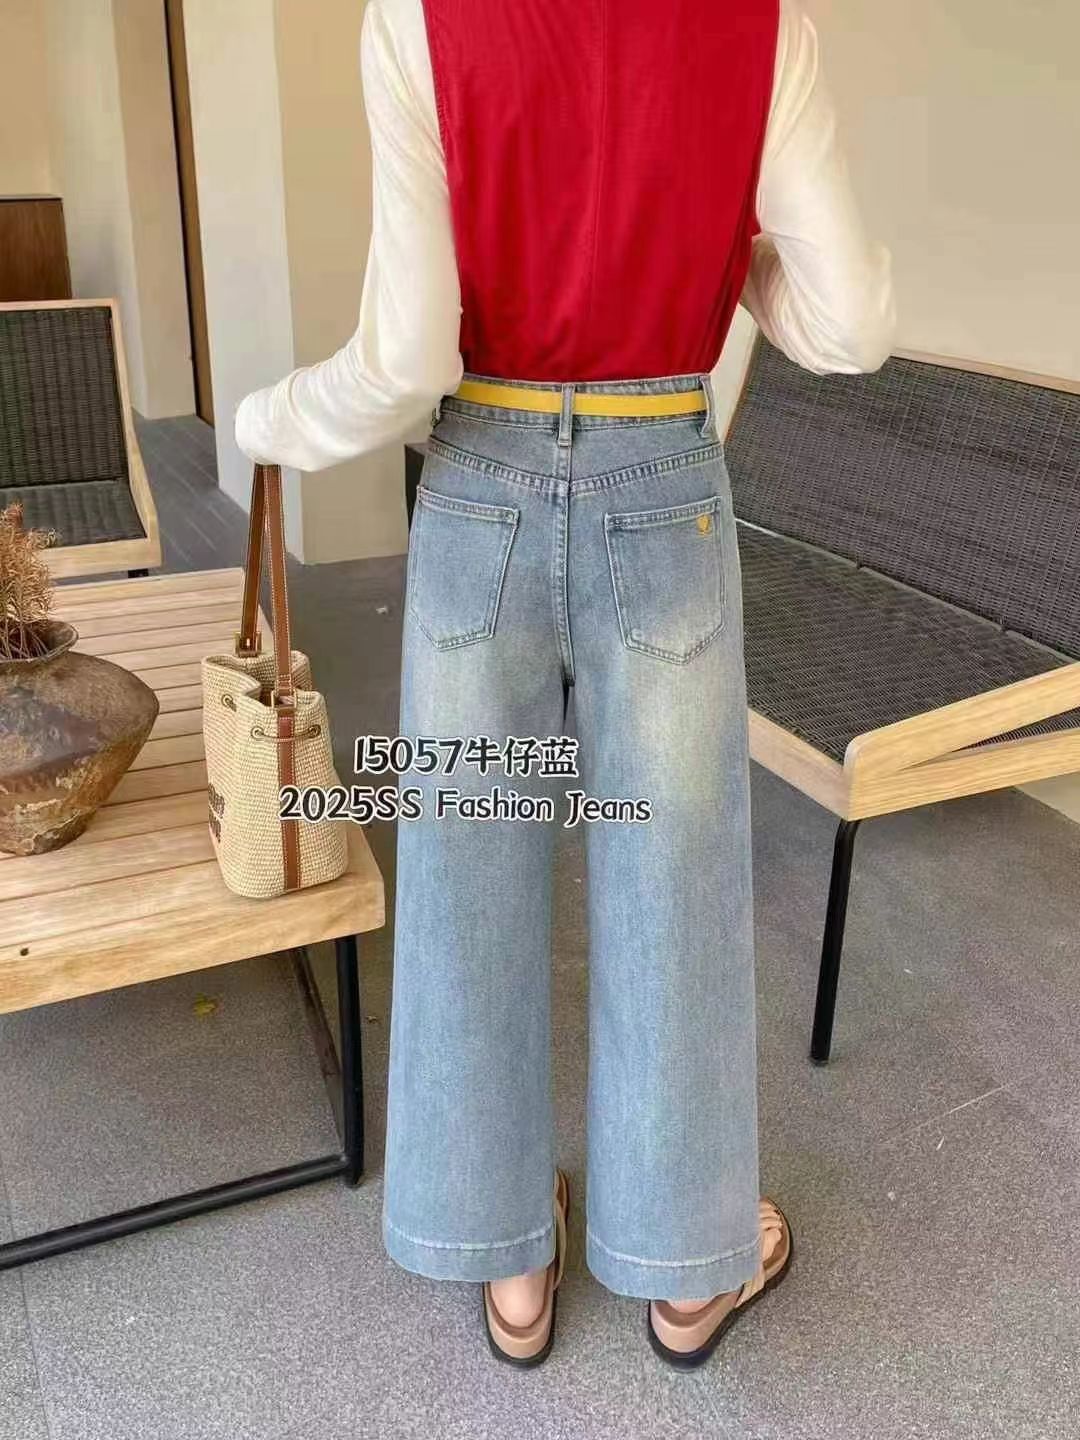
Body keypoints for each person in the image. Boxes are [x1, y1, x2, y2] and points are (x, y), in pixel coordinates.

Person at [236, 0, 895, 1370]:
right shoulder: (764, 26)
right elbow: (850, 327)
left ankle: (510, 1262)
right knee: (675, 872)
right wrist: (735, 270)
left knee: (469, 852)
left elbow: (407, 358)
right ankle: (685, 1271)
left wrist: (266, 420)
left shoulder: (415, 20)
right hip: (663, 476)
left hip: (481, 475)